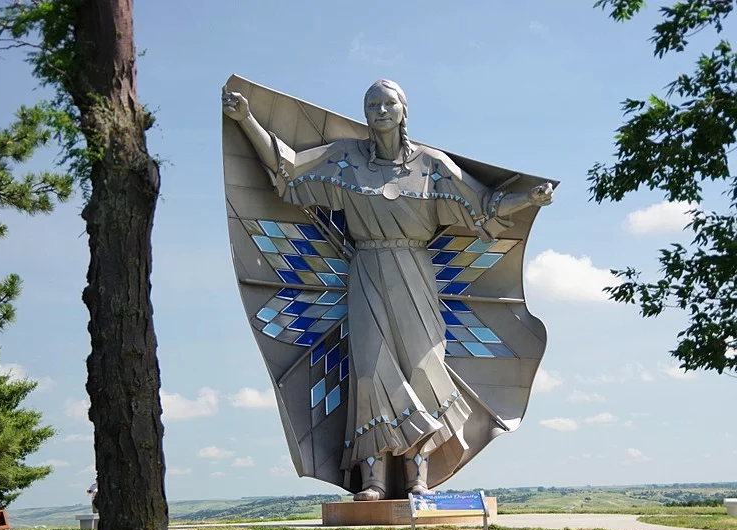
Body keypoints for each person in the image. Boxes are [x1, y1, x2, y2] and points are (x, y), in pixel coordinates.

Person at [223, 80, 553, 501]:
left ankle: (418, 478)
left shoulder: (431, 165)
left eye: (388, 103)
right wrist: (246, 119)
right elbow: (287, 172)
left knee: (422, 370)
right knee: (369, 372)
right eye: (372, 104)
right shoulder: (345, 161)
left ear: (403, 110)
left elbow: (482, 206)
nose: (380, 110)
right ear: (365, 113)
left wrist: (528, 199)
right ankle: (374, 480)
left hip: (416, 273)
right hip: (367, 273)